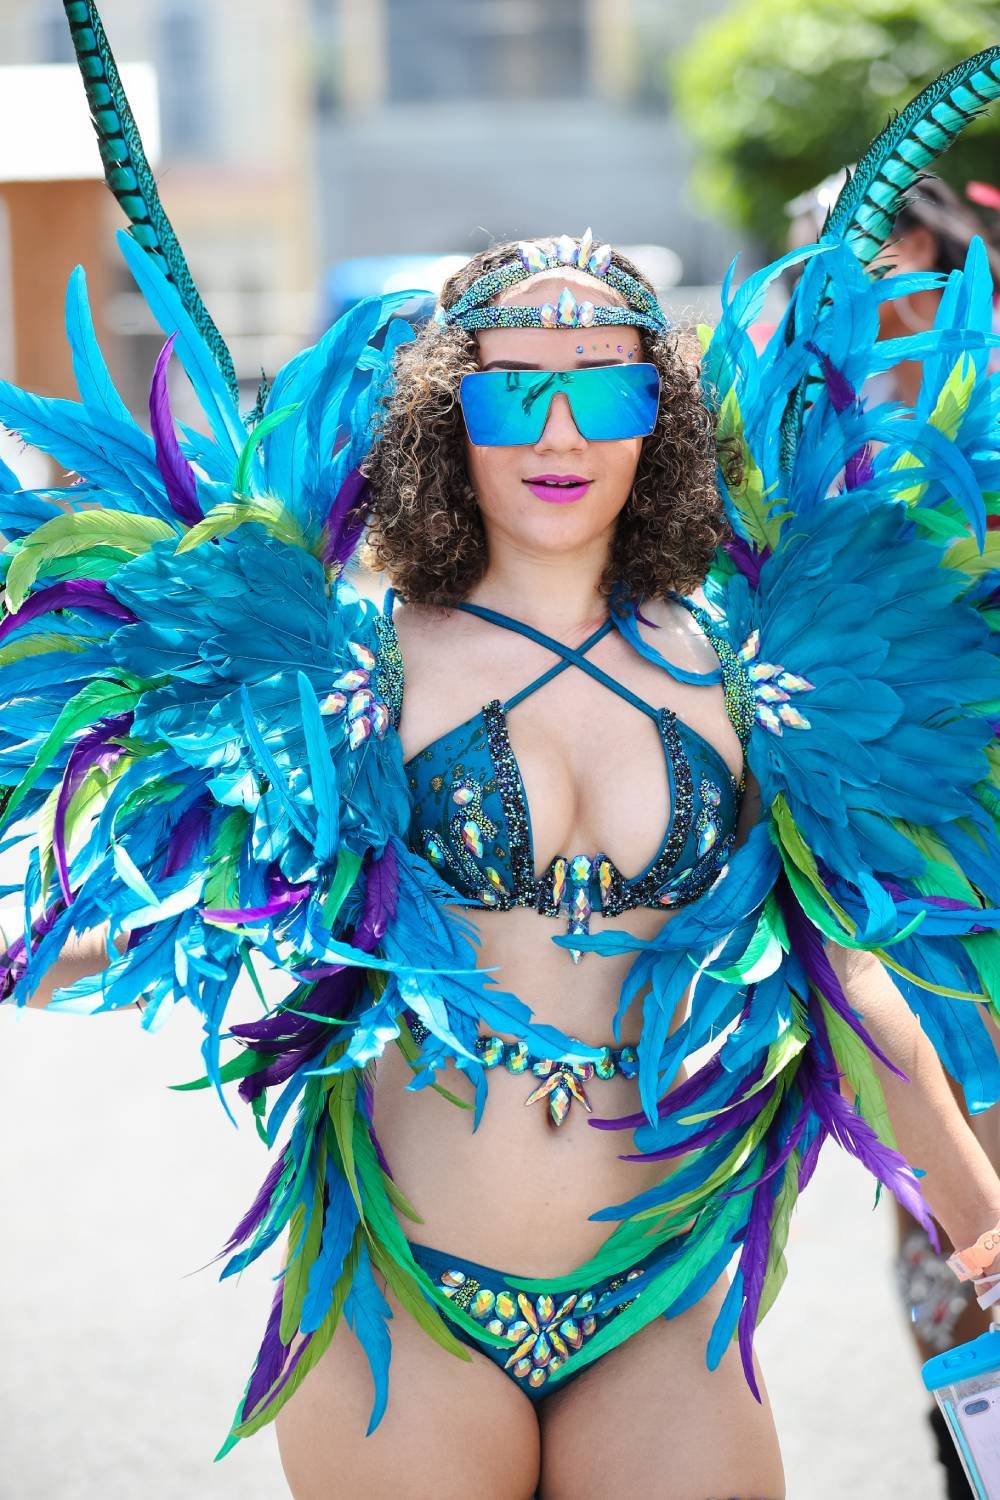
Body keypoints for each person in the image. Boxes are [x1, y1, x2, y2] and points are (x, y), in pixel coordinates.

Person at [3, 11, 1000, 1498]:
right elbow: (162, 885)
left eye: (601, 384)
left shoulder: (744, 664)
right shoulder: (359, 661)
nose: (556, 426)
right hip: (408, 1306)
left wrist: (983, 1223)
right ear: (441, 413)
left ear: (655, 418)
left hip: (661, 1300)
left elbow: (846, 971)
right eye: (509, 383)